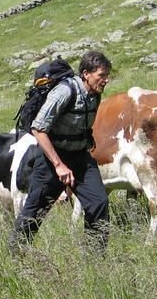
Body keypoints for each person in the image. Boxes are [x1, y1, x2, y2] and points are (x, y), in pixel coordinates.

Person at [10, 50, 112, 252]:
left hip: (81, 158)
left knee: (99, 203)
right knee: (34, 212)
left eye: (107, 75)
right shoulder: (64, 92)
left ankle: (95, 260)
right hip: (51, 160)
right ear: (86, 74)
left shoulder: (95, 94)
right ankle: (15, 255)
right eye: (102, 75)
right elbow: (38, 129)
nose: (106, 80)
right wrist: (58, 165)